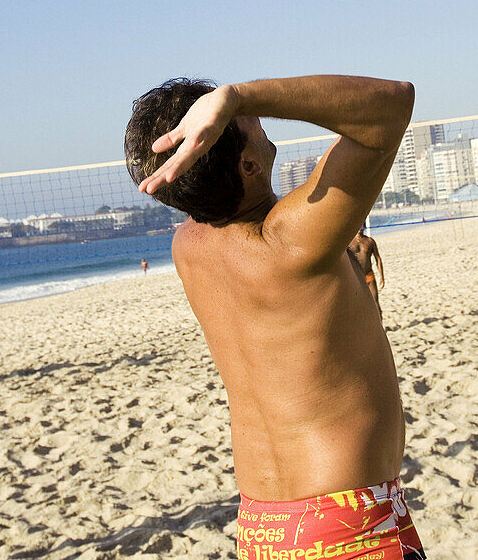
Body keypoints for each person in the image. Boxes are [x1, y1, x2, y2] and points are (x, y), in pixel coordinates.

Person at [125, 74, 425, 560]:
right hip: (347, 522)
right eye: (229, 116)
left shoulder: (189, 247)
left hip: (262, 526)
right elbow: (393, 105)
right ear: (246, 164)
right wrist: (239, 96)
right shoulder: (292, 242)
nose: (247, 112)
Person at [349, 229, 385, 318]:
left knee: (375, 302)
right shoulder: (349, 242)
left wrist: (382, 276)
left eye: (362, 225)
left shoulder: (369, 241)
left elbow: (378, 259)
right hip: (356, 277)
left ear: (364, 226)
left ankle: (380, 326)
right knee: (357, 305)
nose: (359, 228)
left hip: (369, 275)